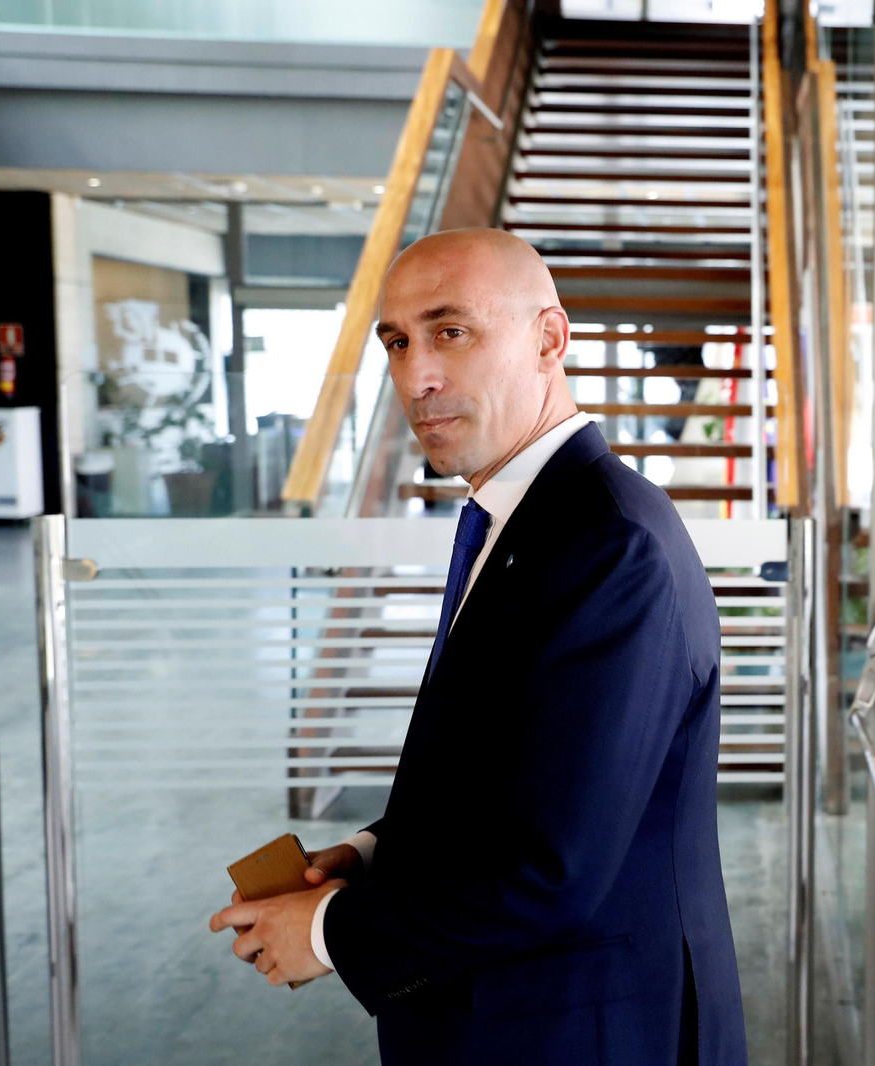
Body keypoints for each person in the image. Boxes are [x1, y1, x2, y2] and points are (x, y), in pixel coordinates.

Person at [209, 227, 749, 1066]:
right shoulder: (525, 520)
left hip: (583, 1031)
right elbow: (514, 776)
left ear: (550, 340)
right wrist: (366, 856)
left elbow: (553, 867)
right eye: (397, 342)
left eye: (450, 332)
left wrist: (326, 931)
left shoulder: (609, 543)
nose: (416, 377)